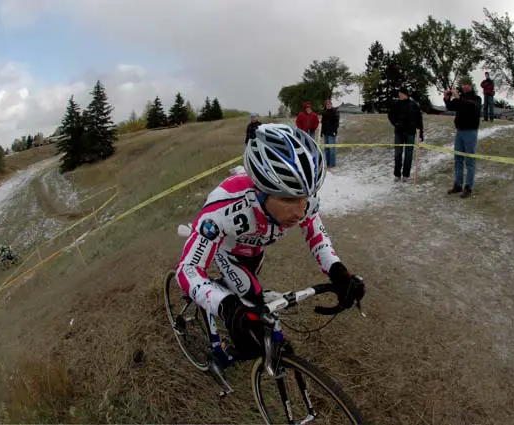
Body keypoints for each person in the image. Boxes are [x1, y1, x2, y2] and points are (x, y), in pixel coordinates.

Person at [174, 123, 365, 367]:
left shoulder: (305, 200)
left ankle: (226, 298)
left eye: (305, 198)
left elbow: (316, 236)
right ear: (260, 191)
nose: (299, 211)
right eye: (287, 199)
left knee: (248, 298)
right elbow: (187, 269)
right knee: (250, 297)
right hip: (227, 250)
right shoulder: (224, 209)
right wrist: (227, 307)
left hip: (255, 252)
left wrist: (338, 271)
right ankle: (218, 343)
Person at [444, 76, 482, 198]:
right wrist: (447, 98)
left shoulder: (476, 99)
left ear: (470, 85)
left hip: (470, 132)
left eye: (465, 84)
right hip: (459, 131)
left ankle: (468, 187)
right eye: (462, 85)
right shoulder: (461, 98)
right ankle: (458, 185)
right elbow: (450, 106)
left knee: (470, 161)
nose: (463, 86)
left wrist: (458, 97)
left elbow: (470, 106)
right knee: (458, 159)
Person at [388, 87, 424, 182]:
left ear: (406, 94)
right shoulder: (396, 104)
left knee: (408, 155)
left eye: (401, 94)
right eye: (399, 94)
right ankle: (397, 174)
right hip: (399, 132)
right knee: (397, 154)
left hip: (410, 133)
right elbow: (390, 115)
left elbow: (419, 120)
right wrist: (395, 123)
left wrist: (421, 135)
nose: (400, 95)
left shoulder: (414, 105)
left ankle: (406, 175)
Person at [320, 99, 340, 167]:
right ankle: (328, 163)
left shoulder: (335, 112)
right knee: (326, 149)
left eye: (329, 104)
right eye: (327, 104)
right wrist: (321, 132)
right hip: (326, 133)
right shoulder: (324, 112)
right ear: (325, 106)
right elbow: (322, 123)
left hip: (332, 133)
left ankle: (332, 164)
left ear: (331, 104)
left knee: (332, 149)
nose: (328, 105)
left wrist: (334, 131)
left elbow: (337, 123)